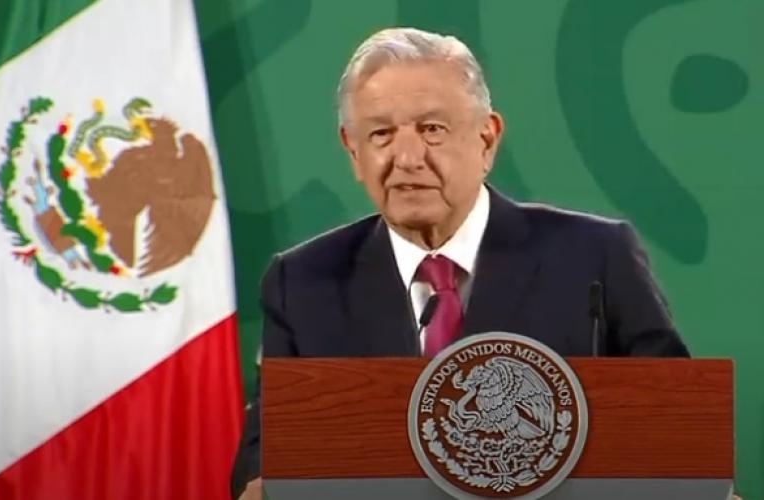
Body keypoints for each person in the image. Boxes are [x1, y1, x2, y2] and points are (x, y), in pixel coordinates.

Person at [230, 27, 690, 500]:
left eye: (432, 129)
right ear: (353, 150)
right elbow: (263, 463)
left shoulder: (595, 256)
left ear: (487, 140)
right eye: (381, 134)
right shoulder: (303, 282)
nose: (407, 158)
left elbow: (679, 435)